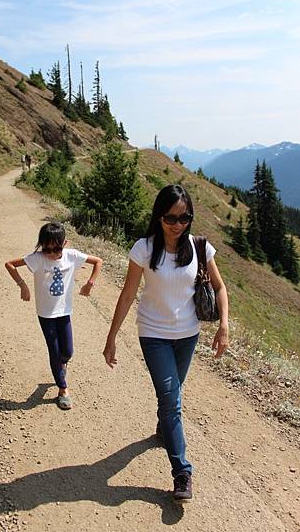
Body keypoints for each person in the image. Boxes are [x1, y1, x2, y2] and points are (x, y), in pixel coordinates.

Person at [103, 185, 229, 502]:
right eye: (171, 217)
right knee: (172, 400)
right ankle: (182, 472)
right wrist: (112, 336)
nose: (177, 224)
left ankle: (164, 427)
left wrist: (223, 325)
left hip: (188, 336)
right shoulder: (143, 249)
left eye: (184, 217)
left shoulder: (200, 247)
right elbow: (128, 293)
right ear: (159, 216)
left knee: (171, 394)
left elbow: (220, 286)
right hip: (153, 334)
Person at [5, 222, 103, 410]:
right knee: (55, 351)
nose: (51, 253)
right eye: (46, 249)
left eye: (56, 248)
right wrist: (22, 285)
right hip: (45, 313)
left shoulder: (71, 256)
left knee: (68, 352)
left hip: (64, 311)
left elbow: (98, 261)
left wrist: (90, 283)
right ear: (41, 245)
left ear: (64, 243)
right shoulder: (37, 259)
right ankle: (63, 388)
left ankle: (61, 366)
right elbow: (9, 264)